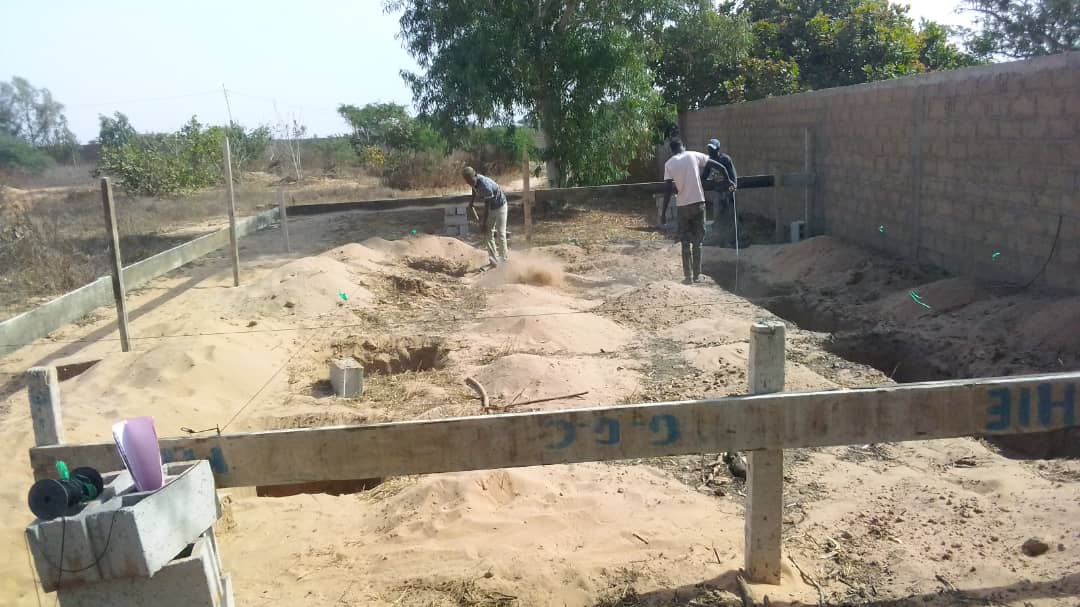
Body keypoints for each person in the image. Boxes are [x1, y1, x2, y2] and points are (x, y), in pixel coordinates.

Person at [662, 139, 735, 284]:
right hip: (698, 204)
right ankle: (697, 275)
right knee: (698, 241)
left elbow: (668, 190)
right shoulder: (693, 155)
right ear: (684, 147)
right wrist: (728, 180)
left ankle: (688, 277)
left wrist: (663, 212)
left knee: (684, 242)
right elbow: (719, 166)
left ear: (672, 150)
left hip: (683, 206)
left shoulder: (669, 164)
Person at [462, 166, 509, 267]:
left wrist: (483, 223)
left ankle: (503, 259)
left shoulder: (485, 186)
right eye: (468, 182)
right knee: (488, 233)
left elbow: (487, 207)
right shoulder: (473, 182)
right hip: (492, 207)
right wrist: (471, 202)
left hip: (500, 206)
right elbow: (474, 190)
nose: (470, 183)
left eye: (471, 181)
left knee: (501, 233)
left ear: (475, 175)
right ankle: (494, 259)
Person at [704, 138, 738, 222]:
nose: (710, 151)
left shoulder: (725, 159)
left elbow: (733, 178)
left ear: (717, 149)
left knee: (730, 216)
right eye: (709, 149)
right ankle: (718, 233)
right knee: (718, 217)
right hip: (718, 192)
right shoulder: (709, 161)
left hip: (728, 192)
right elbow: (704, 175)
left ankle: (731, 233)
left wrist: (731, 192)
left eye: (712, 149)